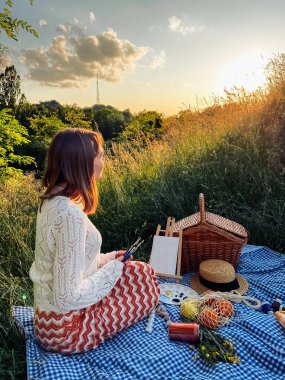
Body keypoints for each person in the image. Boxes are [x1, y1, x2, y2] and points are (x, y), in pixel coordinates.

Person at [29, 128, 160, 354]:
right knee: (143, 278)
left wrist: (109, 259)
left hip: (47, 321)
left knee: (136, 271)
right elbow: (67, 298)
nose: (103, 160)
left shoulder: (51, 202)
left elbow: (70, 263)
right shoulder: (70, 215)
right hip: (66, 331)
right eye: (99, 156)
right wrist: (113, 270)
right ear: (82, 163)